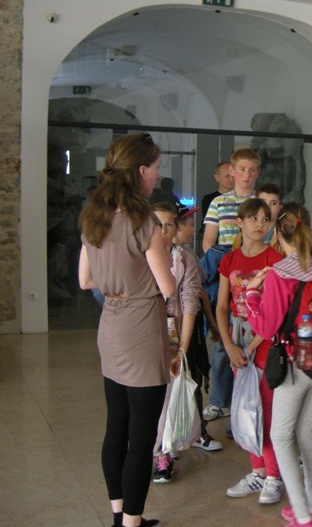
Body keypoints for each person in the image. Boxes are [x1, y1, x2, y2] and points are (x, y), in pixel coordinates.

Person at [78, 133, 176, 527]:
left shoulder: (94, 216)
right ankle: (133, 524)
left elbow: (86, 280)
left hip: (111, 325)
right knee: (142, 434)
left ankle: (119, 515)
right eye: (156, 167)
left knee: (116, 425)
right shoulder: (144, 222)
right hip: (141, 330)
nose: (158, 175)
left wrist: (118, 279)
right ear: (140, 171)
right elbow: (168, 287)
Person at [244, 203, 312, 527]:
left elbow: (268, 327)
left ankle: (303, 514)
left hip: (295, 363)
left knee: (281, 436)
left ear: (277, 236)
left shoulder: (280, 273)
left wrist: (251, 295)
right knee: (307, 433)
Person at [215, 199, 286, 505]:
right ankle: (257, 471)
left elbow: (275, 312)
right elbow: (221, 307)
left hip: (263, 343)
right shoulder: (229, 260)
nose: (259, 224)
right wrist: (230, 346)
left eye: (264, 219)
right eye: (253, 218)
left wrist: (250, 346)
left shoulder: (274, 259)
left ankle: (274, 477)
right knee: (246, 408)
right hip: (237, 340)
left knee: (265, 411)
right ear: (240, 223)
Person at [150, 202, 222, 485]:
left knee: (170, 393)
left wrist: (180, 349)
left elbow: (191, 303)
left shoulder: (184, 260)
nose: (163, 231)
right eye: (157, 225)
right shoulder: (139, 256)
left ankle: (164, 452)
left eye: (169, 225)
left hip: (172, 331)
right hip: (141, 335)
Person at [201, 148, 262, 422]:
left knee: (256, 335)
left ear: (258, 172)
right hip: (227, 273)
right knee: (222, 340)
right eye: (242, 169)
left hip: (257, 275)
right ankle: (219, 400)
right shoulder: (219, 203)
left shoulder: (262, 202)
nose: (247, 175)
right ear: (232, 171)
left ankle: (249, 399)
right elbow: (208, 241)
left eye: (252, 170)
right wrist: (225, 265)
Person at [200, 161, 235, 230]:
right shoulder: (209, 199)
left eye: (233, 176)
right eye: (227, 176)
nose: (231, 179)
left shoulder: (241, 198)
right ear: (217, 177)